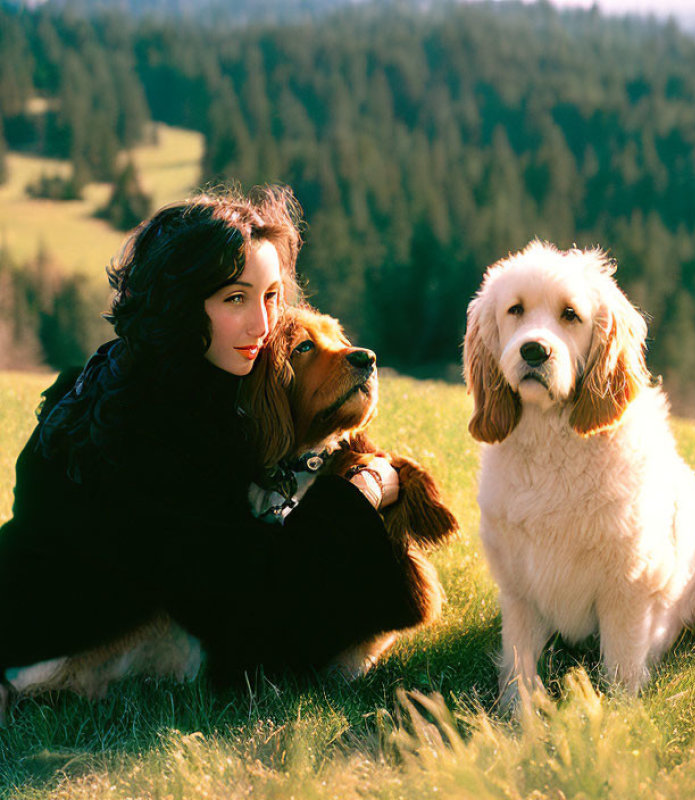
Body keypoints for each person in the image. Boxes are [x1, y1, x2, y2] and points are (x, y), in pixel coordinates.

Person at [0, 186, 417, 687]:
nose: (262, 325)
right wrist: (364, 490)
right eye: (234, 298)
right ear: (181, 303)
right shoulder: (161, 429)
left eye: (270, 297)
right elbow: (252, 607)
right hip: (48, 644)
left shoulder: (129, 370)